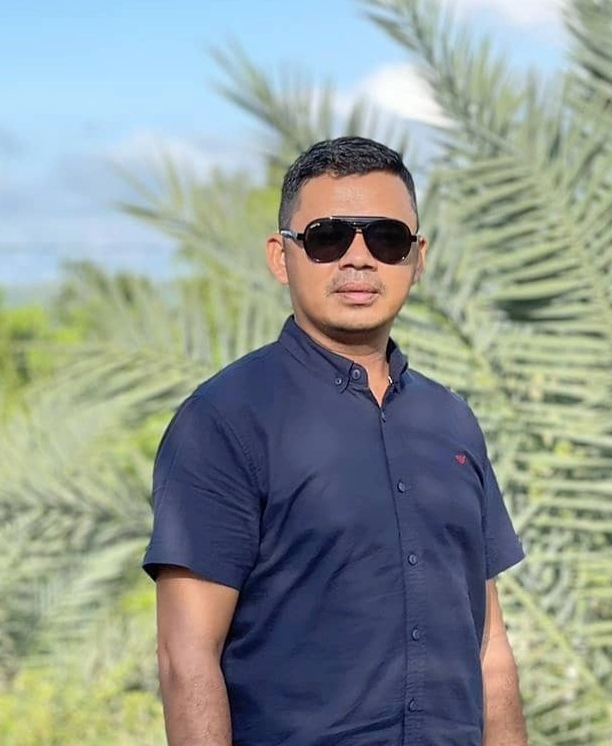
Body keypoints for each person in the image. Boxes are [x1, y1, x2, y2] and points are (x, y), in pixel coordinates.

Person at [142, 135, 528, 746]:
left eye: (387, 239)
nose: (359, 259)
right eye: (328, 238)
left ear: (417, 258)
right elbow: (186, 658)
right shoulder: (224, 421)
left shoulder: (452, 423)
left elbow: (490, 648)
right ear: (281, 256)